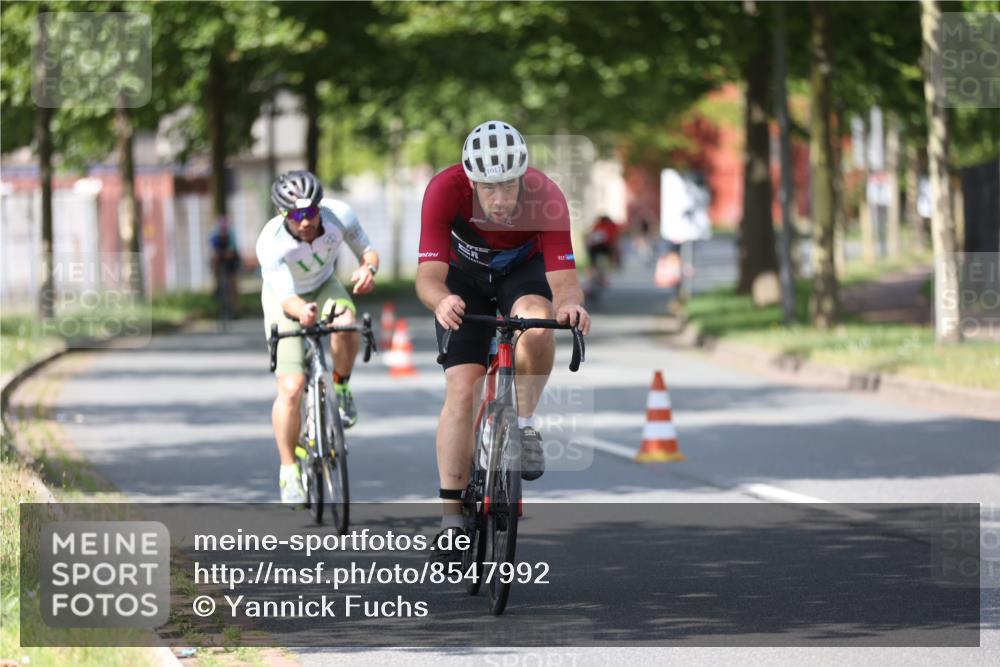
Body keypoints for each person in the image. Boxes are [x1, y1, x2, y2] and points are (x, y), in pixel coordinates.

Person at [415, 120, 591, 561]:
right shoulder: (444, 190)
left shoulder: (545, 196)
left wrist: (571, 306)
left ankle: (524, 425)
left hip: (521, 275)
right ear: (470, 180)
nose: (498, 198)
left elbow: (564, 279)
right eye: (488, 188)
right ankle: (451, 519)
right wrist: (441, 302)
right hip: (463, 281)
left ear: (523, 178)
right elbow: (428, 277)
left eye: (508, 186)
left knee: (537, 317)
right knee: (462, 389)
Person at [256, 170, 380, 504]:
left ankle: (340, 384)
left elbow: (368, 252)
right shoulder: (271, 242)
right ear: (283, 214)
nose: (306, 221)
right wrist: (303, 313)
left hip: (325, 285)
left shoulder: (339, 216)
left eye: (311, 212)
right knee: (292, 387)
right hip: (286, 298)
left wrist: (368, 270)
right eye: (297, 215)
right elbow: (287, 299)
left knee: (346, 320)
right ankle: (288, 469)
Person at [210, 217, 240, 319]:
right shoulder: (214, 235)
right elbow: (214, 251)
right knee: (215, 260)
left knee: (232, 280)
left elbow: (231, 253)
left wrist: (225, 255)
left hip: (231, 258)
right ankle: (217, 284)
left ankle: (234, 305)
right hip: (220, 255)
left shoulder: (231, 235)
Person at [584, 214, 621, 297]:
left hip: (594, 247)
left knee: (592, 266)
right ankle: (604, 279)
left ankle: (588, 285)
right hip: (606, 247)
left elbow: (589, 238)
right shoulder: (612, 226)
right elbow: (615, 241)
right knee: (607, 263)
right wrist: (616, 255)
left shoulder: (596, 225)